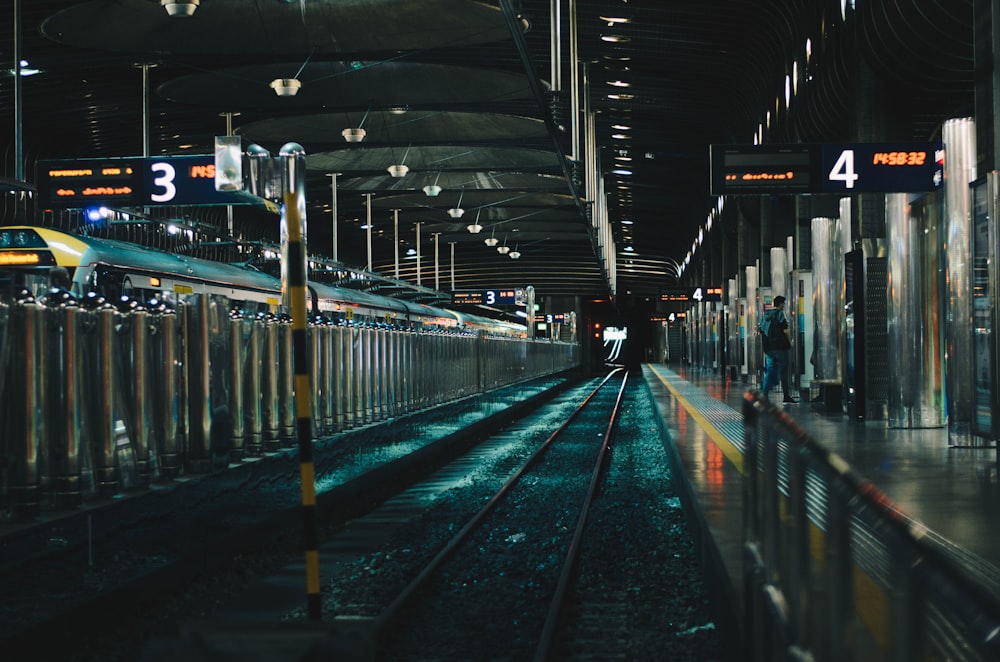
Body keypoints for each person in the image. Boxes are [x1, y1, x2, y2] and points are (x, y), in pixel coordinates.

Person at [760, 295, 796, 404]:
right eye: (783, 304)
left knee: (770, 369)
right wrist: (789, 343)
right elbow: (785, 330)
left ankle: (764, 393)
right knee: (784, 371)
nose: (784, 306)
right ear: (780, 304)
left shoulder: (765, 315)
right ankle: (786, 395)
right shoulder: (780, 314)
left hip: (768, 348)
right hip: (780, 347)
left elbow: (761, 329)